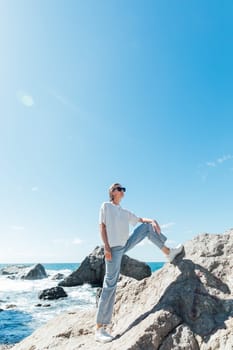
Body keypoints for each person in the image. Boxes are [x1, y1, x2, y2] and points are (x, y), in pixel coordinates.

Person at [95, 183, 184, 343]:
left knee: (146, 227)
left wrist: (153, 220)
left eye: (123, 189)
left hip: (125, 245)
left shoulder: (123, 211)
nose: (123, 191)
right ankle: (100, 328)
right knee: (110, 284)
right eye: (119, 188)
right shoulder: (106, 206)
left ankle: (168, 253)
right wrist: (106, 248)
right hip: (113, 249)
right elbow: (101, 227)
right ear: (112, 192)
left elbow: (140, 219)